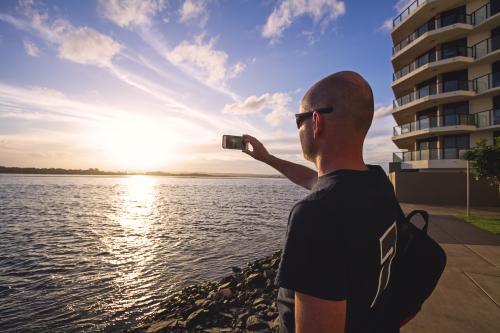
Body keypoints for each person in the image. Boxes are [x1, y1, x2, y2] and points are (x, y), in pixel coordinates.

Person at [242, 71, 400, 333]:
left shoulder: (317, 215)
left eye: (298, 120)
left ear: (316, 121)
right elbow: (316, 181)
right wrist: (267, 159)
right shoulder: (377, 183)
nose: (298, 129)